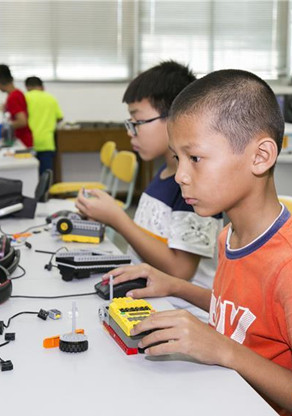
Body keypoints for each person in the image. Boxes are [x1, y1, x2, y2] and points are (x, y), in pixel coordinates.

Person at [105, 69, 292, 416]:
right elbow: (245, 315)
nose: (180, 175)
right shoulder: (230, 236)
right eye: (177, 158)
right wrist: (174, 286)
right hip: (228, 403)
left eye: (195, 158)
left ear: (260, 156)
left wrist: (224, 350)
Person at [75, 61, 223, 309]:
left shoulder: (194, 186)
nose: (130, 132)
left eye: (138, 121)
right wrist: (103, 216)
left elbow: (180, 270)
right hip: (152, 301)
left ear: (177, 119)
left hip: (183, 312)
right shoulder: (163, 173)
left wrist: (117, 219)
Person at [24, 76, 63, 175]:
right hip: (47, 143)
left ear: (27, 87)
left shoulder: (25, 97)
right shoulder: (51, 98)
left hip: (29, 143)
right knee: (46, 177)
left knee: (29, 176)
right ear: (42, 86)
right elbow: (59, 118)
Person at [0, 64, 33, 148]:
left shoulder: (13, 97)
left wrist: (3, 128)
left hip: (23, 143)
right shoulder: (17, 93)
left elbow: (22, 121)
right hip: (24, 141)